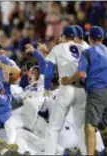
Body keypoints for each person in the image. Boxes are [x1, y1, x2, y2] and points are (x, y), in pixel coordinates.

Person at [61, 26, 107, 155]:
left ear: (89, 38)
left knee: (90, 127)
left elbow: (81, 74)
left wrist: (67, 80)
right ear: (102, 38)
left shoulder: (88, 52)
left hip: (97, 92)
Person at [43, 26, 87, 155]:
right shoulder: (83, 48)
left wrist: (46, 87)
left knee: (53, 127)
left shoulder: (58, 48)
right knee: (80, 128)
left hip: (66, 88)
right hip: (82, 90)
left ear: (63, 36)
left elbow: (49, 71)